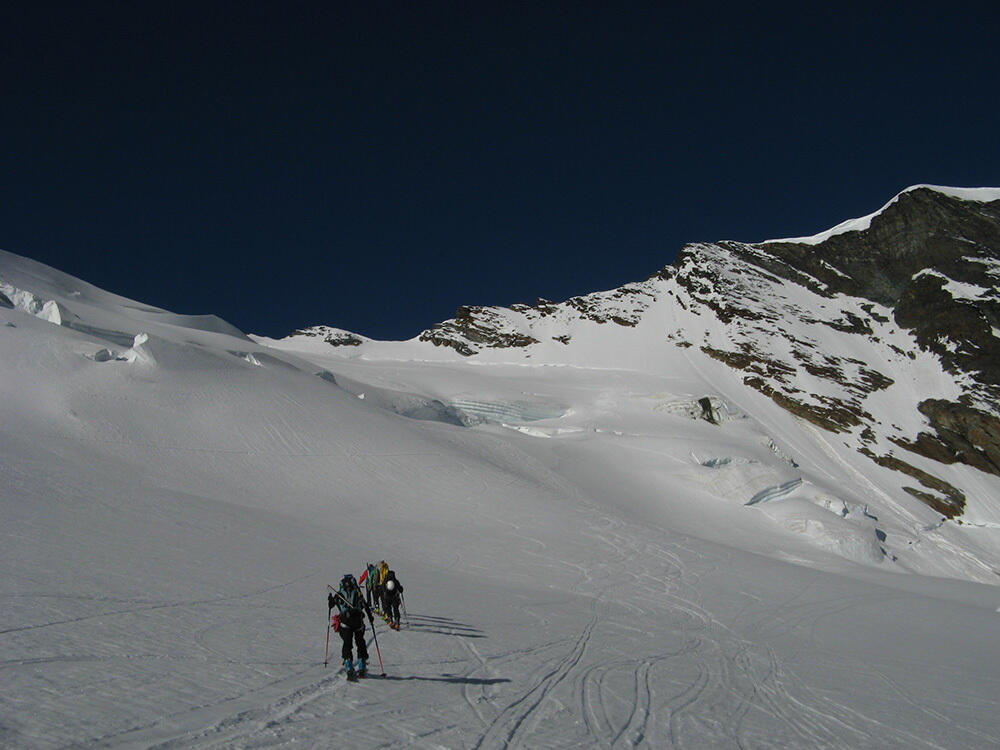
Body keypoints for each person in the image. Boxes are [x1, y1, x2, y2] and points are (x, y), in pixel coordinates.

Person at [328, 573, 373, 679]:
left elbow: (331, 605)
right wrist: (370, 618)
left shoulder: (339, 594)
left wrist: (330, 599)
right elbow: (365, 606)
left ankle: (348, 665)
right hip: (358, 621)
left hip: (345, 622)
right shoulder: (357, 593)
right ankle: (361, 665)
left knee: (347, 643)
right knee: (360, 642)